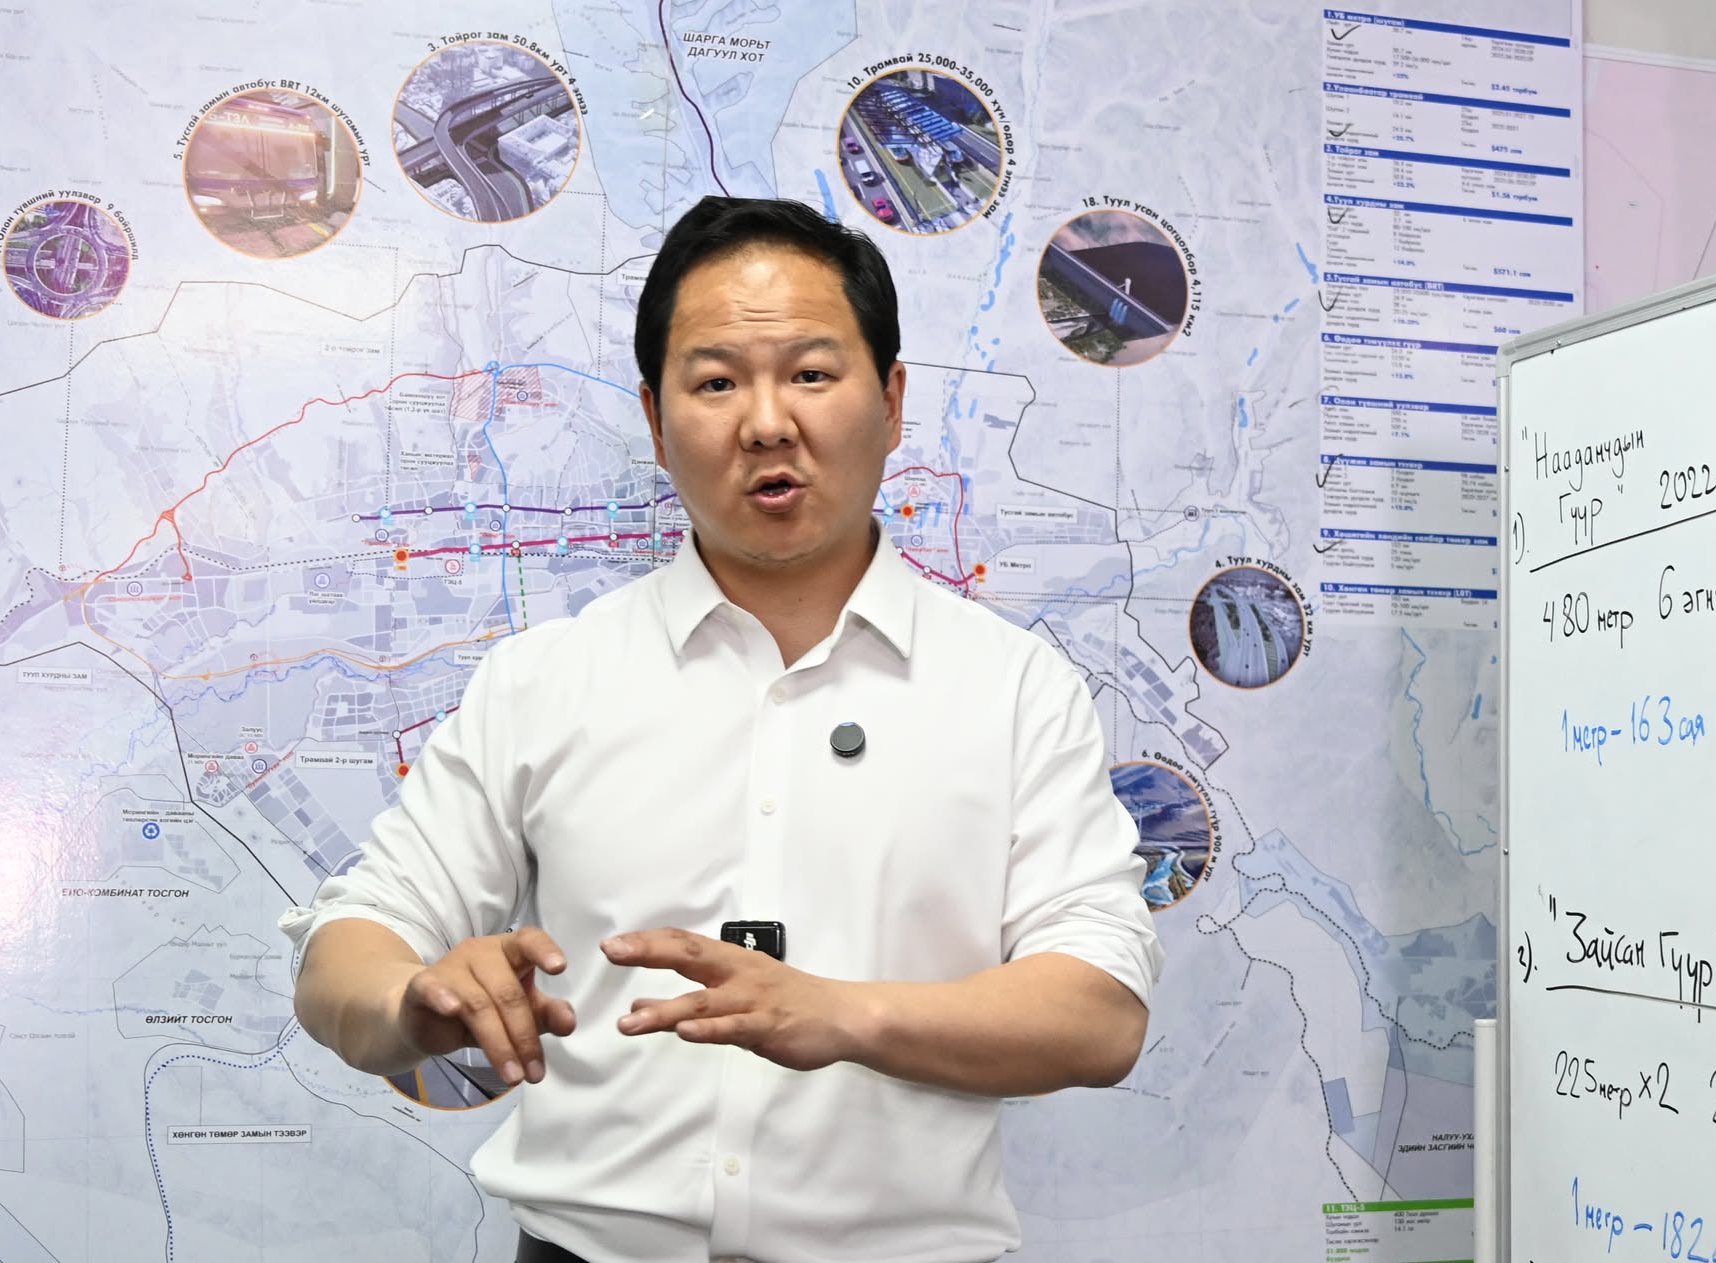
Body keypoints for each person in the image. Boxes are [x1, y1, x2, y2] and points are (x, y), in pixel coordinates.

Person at [281, 195, 1163, 1263]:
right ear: (657, 425)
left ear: (890, 401)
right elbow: (348, 949)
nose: (766, 423)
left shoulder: (1013, 689)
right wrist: (414, 1001)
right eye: (715, 383)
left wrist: (844, 1015)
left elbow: (1100, 1013)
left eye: (811, 373)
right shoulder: (547, 680)